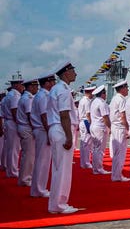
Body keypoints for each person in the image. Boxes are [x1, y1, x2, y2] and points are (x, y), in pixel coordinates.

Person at [47, 62, 79, 214]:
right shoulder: (63, 90)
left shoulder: (56, 88)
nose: (75, 73)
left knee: (58, 168)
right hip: (62, 130)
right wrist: (69, 137)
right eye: (73, 71)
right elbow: (64, 115)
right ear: (66, 73)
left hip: (56, 129)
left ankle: (56, 204)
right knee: (63, 170)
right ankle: (59, 204)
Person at [30, 74, 56, 198]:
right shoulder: (43, 96)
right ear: (47, 83)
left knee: (42, 160)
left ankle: (37, 188)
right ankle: (39, 189)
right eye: (52, 81)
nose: (54, 83)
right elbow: (44, 116)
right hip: (42, 130)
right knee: (43, 161)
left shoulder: (40, 95)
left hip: (40, 130)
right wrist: (49, 132)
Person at [17, 78, 39, 186]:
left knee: (27, 154)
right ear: (30, 87)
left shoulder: (24, 97)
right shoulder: (28, 99)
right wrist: (35, 129)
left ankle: (24, 177)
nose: (37, 88)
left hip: (23, 127)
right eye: (35, 86)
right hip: (27, 128)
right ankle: (25, 179)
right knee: (29, 155)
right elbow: (30, 116)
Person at [3, 75, 25, 178]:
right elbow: (14, 111)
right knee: (14, 148)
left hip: (9, 122)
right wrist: (19, 123)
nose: (22, 86)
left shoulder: (10, 95)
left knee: (11, 148)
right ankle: (12, 171)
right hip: (13, 122)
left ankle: (10, 168)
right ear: (16, 85)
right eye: (21, 84)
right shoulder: (15, 95)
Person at [109, 80, 130, 182]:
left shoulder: (114, 99)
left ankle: (115, 174)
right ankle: (117, 176)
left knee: (117, 152)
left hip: (115, 127)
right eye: (126, 87)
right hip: (120, 128)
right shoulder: (121, 100)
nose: (128, 89)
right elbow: (123, 116)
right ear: (122, 89)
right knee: (120, 153)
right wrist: (128, 129)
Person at [89, 85, 111, 175]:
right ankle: (99, 168)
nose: (106, 95)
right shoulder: (102, 103)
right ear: (102, 94)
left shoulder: (94, 102)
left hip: (94, 126)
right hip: (100, 127)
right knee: (100, 149)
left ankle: (95, 168)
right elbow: (105, 117)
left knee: (95, 149)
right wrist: (110, 127)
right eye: (105, 93)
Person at [77, 85, 96, 169]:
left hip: (83, 122)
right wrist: (91, 124)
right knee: (87, 144)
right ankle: (86, 162)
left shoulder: (83, 100)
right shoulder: (87, 101)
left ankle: (83, 162)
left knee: (84, 144)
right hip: (86, 122)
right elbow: (88, 114)